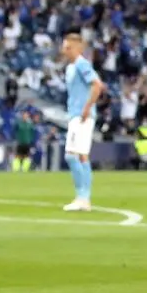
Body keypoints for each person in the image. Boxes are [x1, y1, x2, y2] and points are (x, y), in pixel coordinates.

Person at [60, 31, 106, 211]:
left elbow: (97, 84)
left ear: (78, 48)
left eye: (68, 47)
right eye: (64, 47)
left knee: (70, 155)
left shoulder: (81, 64)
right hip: (76, 114)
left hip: (82, 115)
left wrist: (87, 107)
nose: (65, 51)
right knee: (81, 156)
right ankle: (84, 199)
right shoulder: (71, 67)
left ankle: (82, 197)